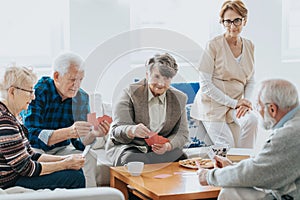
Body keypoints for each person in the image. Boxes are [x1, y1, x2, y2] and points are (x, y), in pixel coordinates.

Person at [198, 79, 300, 200]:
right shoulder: (294, 124)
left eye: (258, 106)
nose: (256, 111)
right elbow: (264, 166)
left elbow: (257, 172)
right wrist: (232, 167)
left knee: (231, 191)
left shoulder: (289, 134)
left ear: (272, 109)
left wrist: (209, 176)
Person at [23, 52, 110, 187]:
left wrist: (93, 134)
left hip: (61, 149)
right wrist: (69, 132)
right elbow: (31, 134)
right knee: (35, 159)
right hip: (36, 149)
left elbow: (80, 143)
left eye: (81, 79)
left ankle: (90, 196)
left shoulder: (81, 97)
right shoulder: (38, 91)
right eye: (72, 79)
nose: (77, 85)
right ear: (57, 76)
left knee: (90, 157)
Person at [0, 66, 85, 190]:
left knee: (76, 171)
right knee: (76, 178)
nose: (33, 97)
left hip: (19, 174)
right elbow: (27, 168)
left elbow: (31, 155)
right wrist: (64, 164)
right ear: (12, 91)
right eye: (29, 91)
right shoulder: (5, 122)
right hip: (11, 180)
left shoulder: (11, 117)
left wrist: (66, 159)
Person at [191, 0, 257, 148]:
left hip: (236, 104)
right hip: (212, 106)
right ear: (222, 22)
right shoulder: (213, 45)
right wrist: (235, 103)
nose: (232, 26)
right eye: (228, 21)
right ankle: (234, 168)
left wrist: (246, 102)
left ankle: (246, 167)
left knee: (252, 121)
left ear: (244, 20)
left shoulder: (250, 45)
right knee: (227, 146)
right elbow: (206, 85)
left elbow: (251, 79)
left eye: (237, 20)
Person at [105, 53, 189, 166]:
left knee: (180, 158)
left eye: (166, 78)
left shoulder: (179, 98)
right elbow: (116, 131)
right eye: (157, 76)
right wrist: (132, 130)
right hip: (131, 147)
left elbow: (182, 133)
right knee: (135, 160)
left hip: (159, 150)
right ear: (147, 75)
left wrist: (167, 146)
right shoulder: (129, 93)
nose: (161, 83)